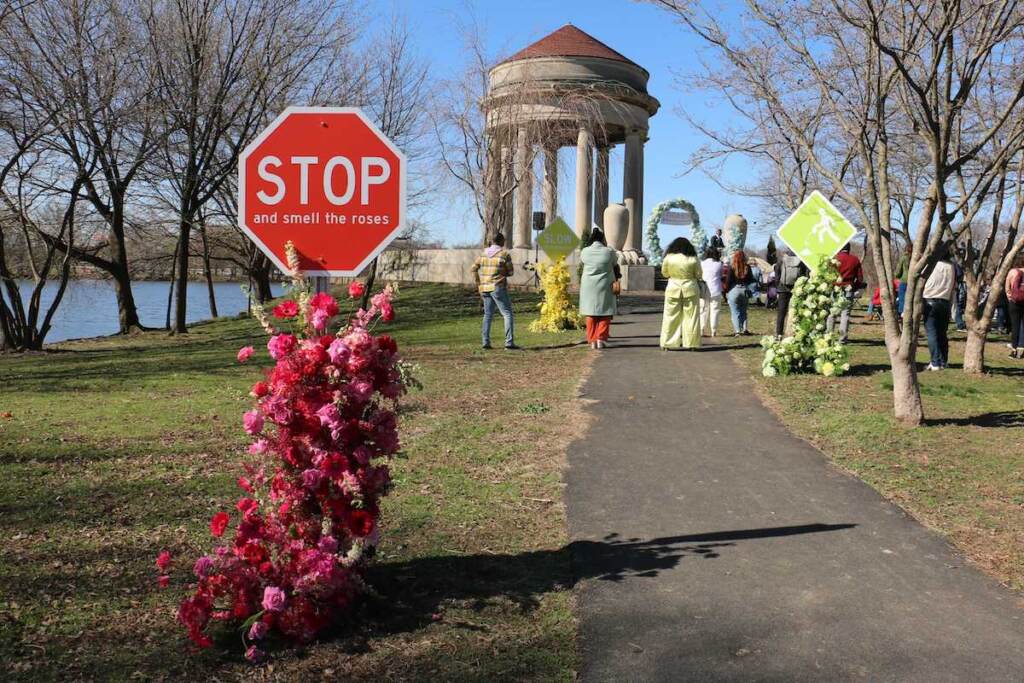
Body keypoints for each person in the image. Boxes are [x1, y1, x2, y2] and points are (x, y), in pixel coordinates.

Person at [471, 233, 518, 350]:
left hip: (485, 288)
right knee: (507, 314)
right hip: (498, 287)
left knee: (488, 315)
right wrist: (503, 274)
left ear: (492, 241)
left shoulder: (483, 254)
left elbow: (473, 269)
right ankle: (509, 343)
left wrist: (478, 283)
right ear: (501, 241)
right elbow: (511, 272)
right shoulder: (504, 254)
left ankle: (485, 342)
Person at [579, 228, 620, 350]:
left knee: (590, 312)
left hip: (588, 286)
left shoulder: (585, 251)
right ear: (603, 239)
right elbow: (615, 262)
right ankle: (600, 339)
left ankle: (592, 340)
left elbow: (582, 261)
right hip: (605, 284)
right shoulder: (609, 252)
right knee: (605, 312)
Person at [660, 237, 702, 349]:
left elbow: (664, 273)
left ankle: (667, 343)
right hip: (691, 289)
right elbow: (699, 275)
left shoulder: (668, 258)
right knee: (692, 317)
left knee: (670, 316)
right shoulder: (693, 258)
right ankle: (692, 344)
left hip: (673, 288)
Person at [922, 243, 956, 371]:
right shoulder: (951, 266)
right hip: (945, 302)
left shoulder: (931, 264)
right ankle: (943, 361)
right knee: (942, 334)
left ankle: (935, 362)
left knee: (932, 332)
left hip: (930, 301)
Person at [826, 243, 865, 343]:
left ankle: (828, 336)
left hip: (835, 288)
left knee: (832, 313)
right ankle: (842, 338)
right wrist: (854, 286)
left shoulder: (834, 259)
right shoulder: (855, 259)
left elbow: (827, 274)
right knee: (845, 314)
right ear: (849, 249)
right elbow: (860, 278)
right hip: (848, 288)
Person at [774, 250, 807, 338]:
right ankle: (794, 332)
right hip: (797, 288)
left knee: (781, 312)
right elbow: (805, 275)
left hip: (782, 288)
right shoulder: (801, 261)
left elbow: (777, 275)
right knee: (796, 311)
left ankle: (779, 334)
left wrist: (778, 287)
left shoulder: (781, 260)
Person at [724, 250, 755, 336]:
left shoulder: (732, 267)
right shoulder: (747, 267)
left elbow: (728, 281)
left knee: (735, 311)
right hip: (744, 289)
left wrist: (726, 291)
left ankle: (737, 331)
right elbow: (751, 279)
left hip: (734, 290)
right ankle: (745, 329)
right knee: (744, 311)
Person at [699, 246, 724, 336]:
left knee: (703, 309)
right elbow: (721, 275)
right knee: (715, 310)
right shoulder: (719, 264)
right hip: (716, 289)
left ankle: (702, 329)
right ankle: (714, 330)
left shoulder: (702, 263)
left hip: (704, 289)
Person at [1004, 255, 1024, 359]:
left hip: (1014, 301)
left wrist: (1010, 297)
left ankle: (1014, 351)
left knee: (1015, 326)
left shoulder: (1013, 271)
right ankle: (1023, 350)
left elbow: (1007, 287)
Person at [894, 244, 911, 318]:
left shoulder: (904, 258)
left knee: (902, 298)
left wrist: (896, 275)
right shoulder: (916, 258)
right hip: (914, 282)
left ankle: (902, 314)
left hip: (904, 281)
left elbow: (898, 272)